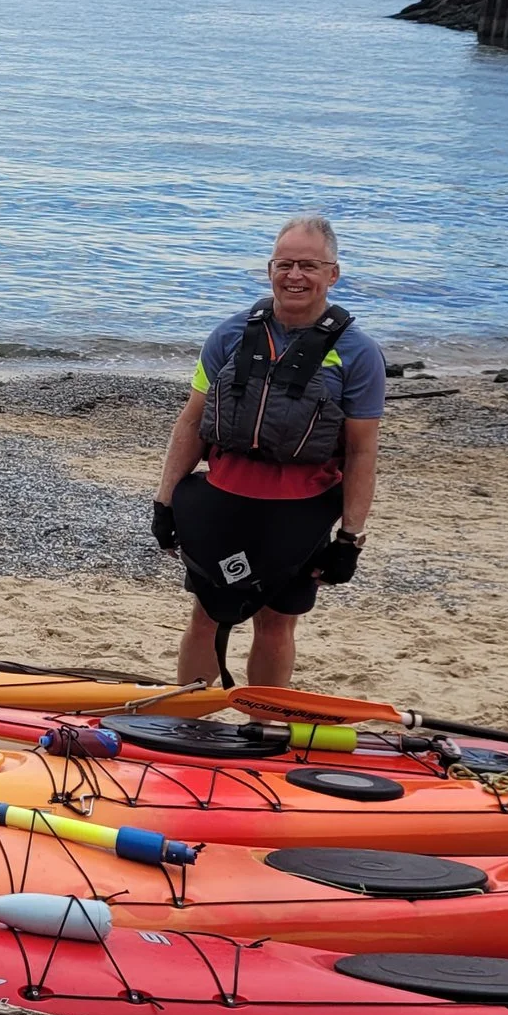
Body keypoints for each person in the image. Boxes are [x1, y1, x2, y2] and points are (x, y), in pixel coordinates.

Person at [152, 215, 385, 687]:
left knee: (277, 623)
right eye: (284, 264)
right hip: (224, 501)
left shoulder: (359, 354)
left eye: (308, 265)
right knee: (206, 615)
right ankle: (184, 721)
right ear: (270, 268)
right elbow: (192, 420)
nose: (294, 275)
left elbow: (362, 453)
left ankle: (261, 724)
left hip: (299, 513)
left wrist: (350, 539)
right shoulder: (231, 335)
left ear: (332, 274)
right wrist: (165, 500)